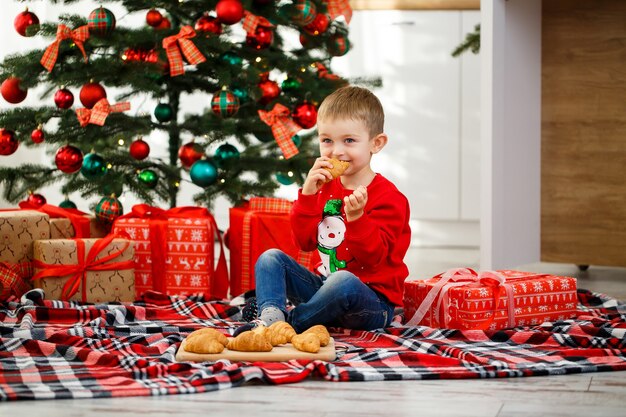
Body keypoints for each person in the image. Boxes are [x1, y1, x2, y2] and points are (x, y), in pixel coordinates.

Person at [236, 86, 411, 335]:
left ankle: (289, 323)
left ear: (376, 143)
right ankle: (271, 315)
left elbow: (373, 258)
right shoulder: (325, 186)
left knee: (343, 280)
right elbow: (304, 243)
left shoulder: (390, 198)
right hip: (324, 290)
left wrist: (357, 219)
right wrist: (307, 195)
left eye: (349, 140)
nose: (336, 151)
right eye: (327, 140)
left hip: (371, 303)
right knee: (270, 258)